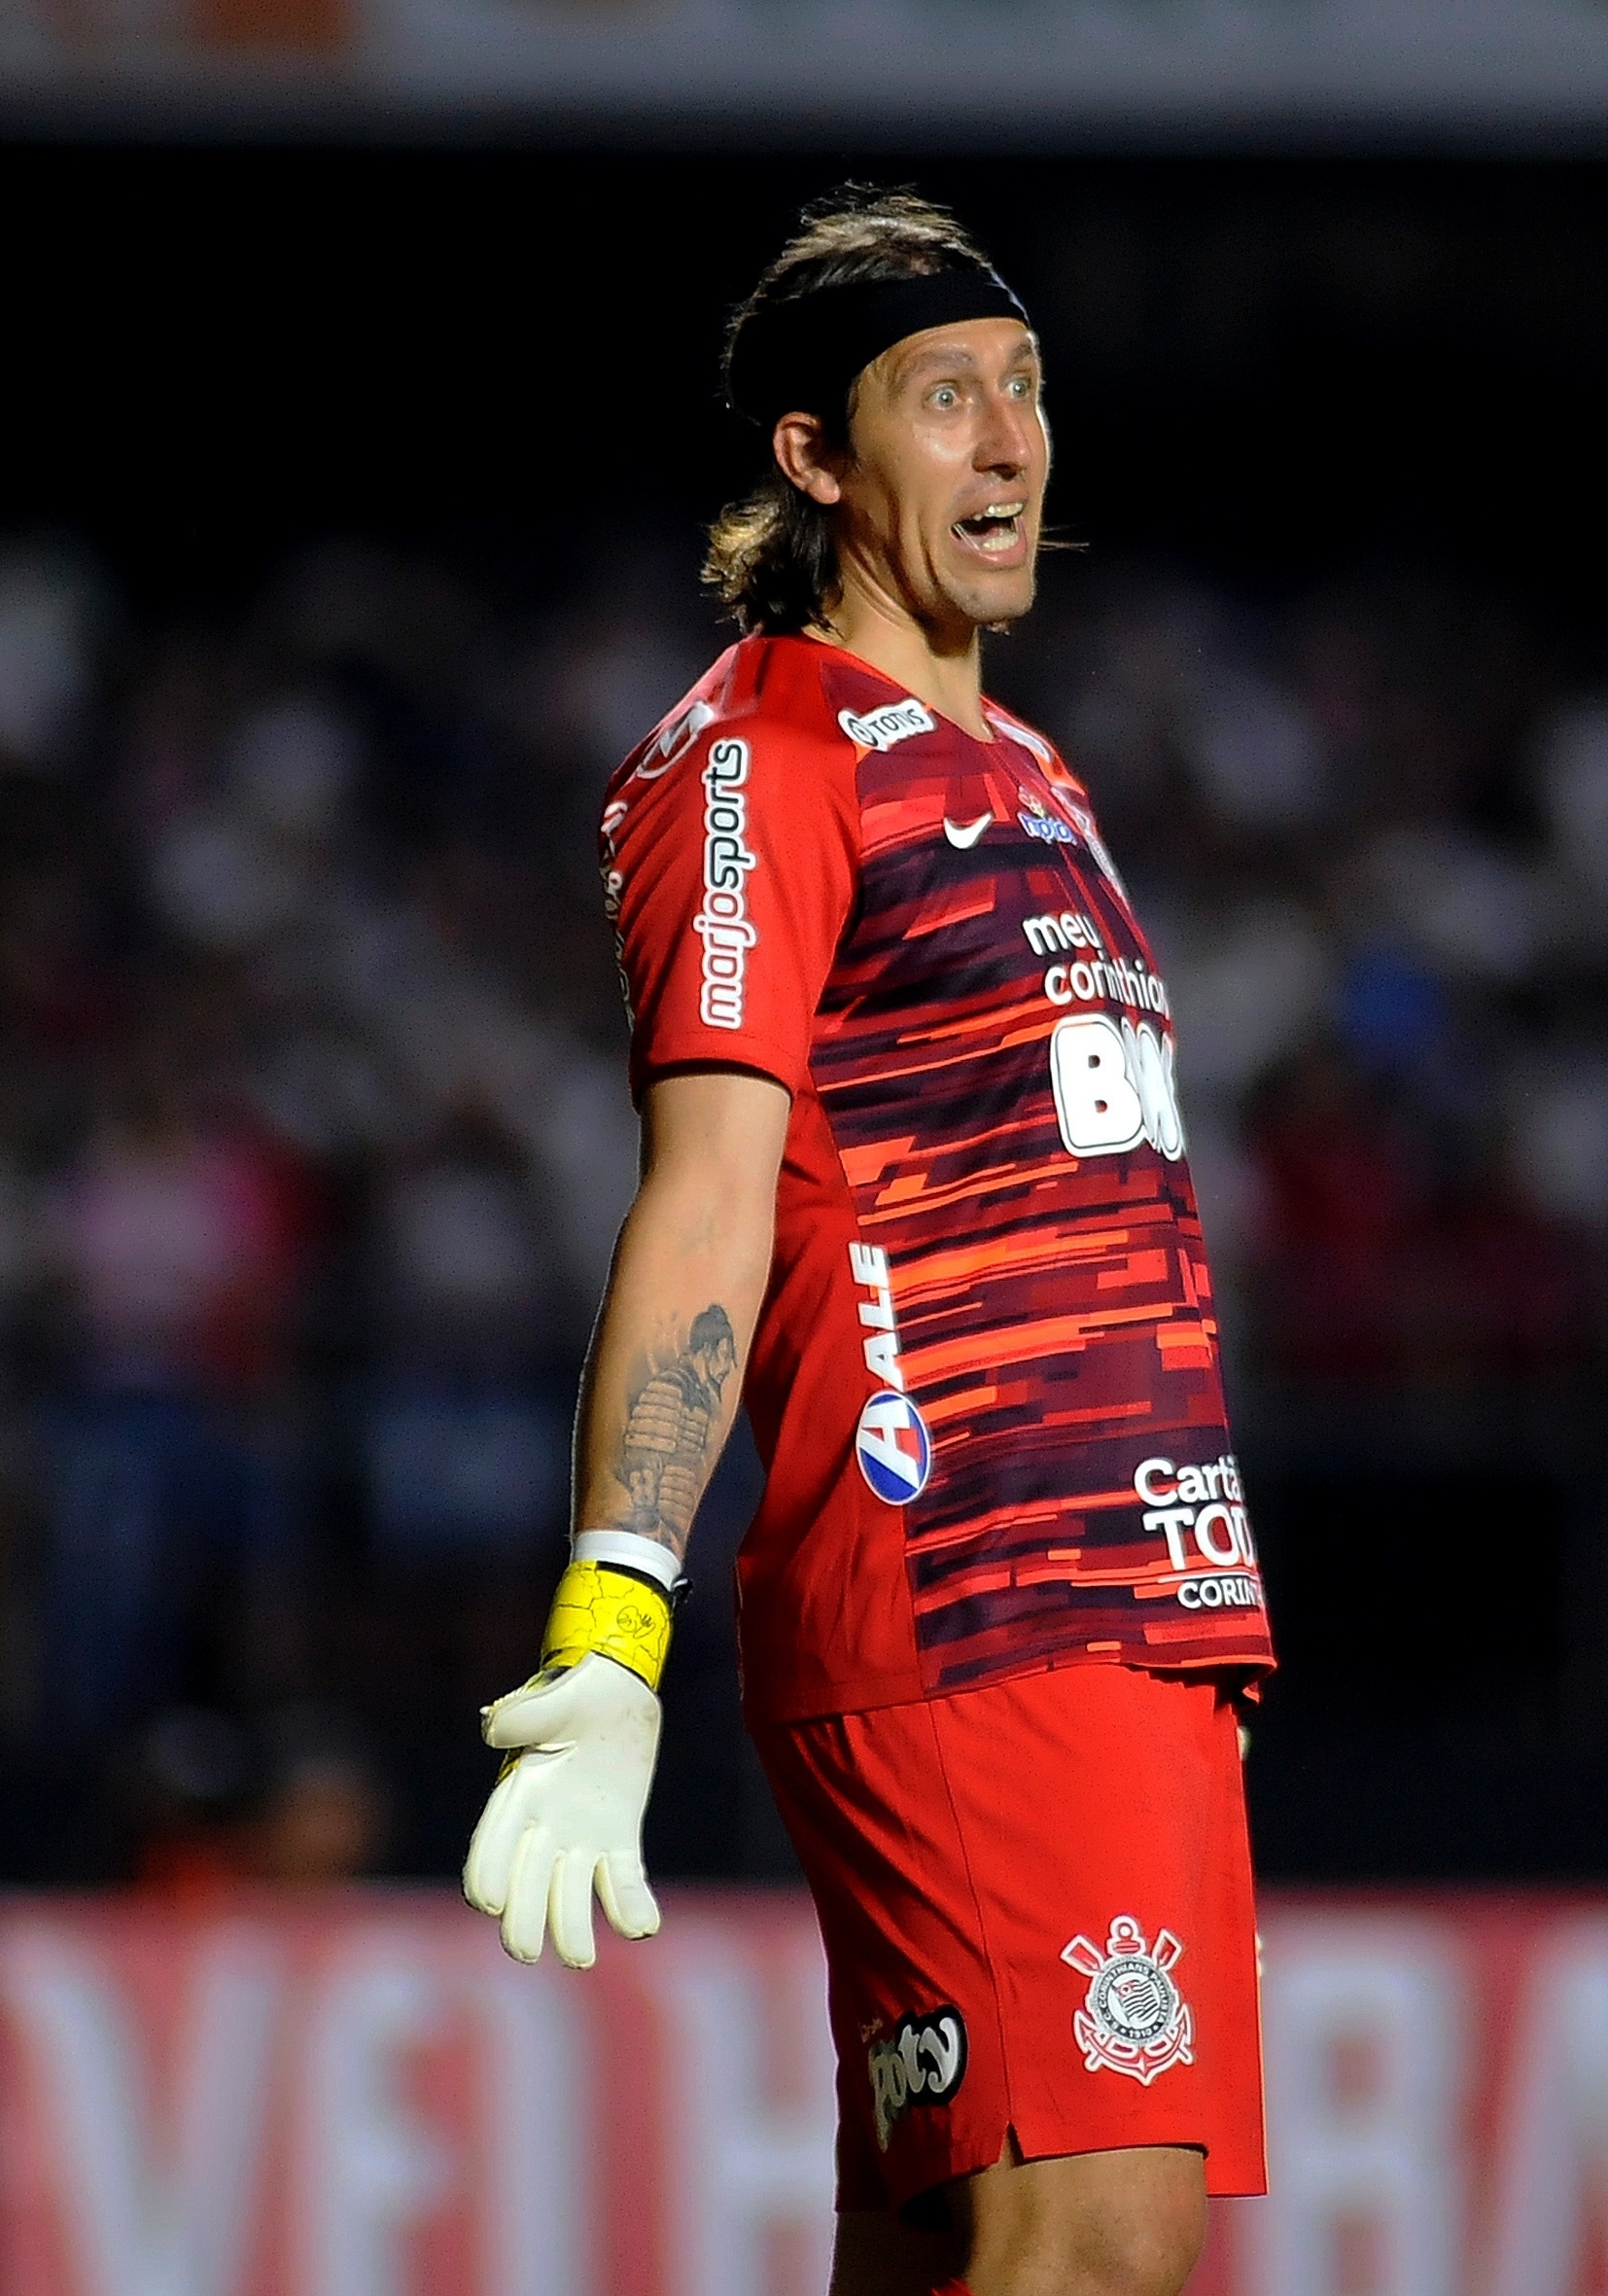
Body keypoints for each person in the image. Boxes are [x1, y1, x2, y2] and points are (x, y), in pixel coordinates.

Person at [462, 188, 1275, 2296]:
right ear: (813, 459)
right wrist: (609, 1620)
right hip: (970, 1598)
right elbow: (709, 1195)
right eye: (942, 398)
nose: (1007, 442)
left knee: (944, 2252)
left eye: (1023, 390)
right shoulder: (760, 751)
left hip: (1126, 1613)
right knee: (1091, 2242)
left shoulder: (1030, 767)